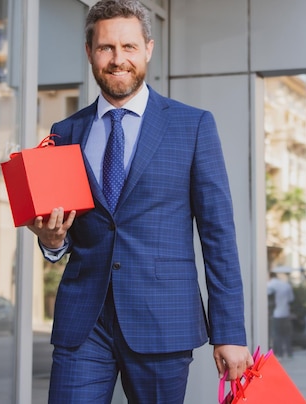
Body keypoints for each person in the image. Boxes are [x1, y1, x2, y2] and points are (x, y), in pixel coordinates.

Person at [28, 1, 252, 402]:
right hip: (84, 324)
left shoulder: (192, 125)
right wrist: (51, 240)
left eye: (129, 47)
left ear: (148, 49)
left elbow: (218, 235)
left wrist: (230, 332)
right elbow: (62, 235)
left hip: (162, 321)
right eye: (106, 48)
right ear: (89, 52)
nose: (118, 60)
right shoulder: (65, 131)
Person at [267, 271, 294, 358]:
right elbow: (291, 299)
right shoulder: (286, 285)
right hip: (285, 313)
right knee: (286, 334)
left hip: (276, 314)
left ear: (270, 276)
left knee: (276, 334)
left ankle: (279, 353)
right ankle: (289, 352)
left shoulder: (269, 285)